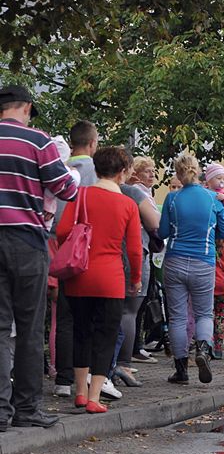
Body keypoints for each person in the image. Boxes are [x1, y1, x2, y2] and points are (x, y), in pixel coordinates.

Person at [0, 85, 78, 429]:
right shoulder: (39, 141)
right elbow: (67, 189)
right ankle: (27, 409)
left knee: (0, 329)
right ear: (27, 108)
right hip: (27, 241)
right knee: (30, 328)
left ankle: (0, 412)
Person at [57, 146, 142, 414]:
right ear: (122, 172)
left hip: (79, 276)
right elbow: (134, 250)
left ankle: (79, 393)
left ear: (96, 168)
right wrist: (136, 279)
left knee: (80, 332)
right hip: (111, 279)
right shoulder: (128, 204)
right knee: (105, 337)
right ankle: (94, 397)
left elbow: (61, 231)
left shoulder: (79, 196)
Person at [158, 153, 224, 384]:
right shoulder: (213, 199)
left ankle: (181, 370)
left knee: (178, 316)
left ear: (178, 173)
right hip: (203, 260)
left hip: (175, 260)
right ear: (198, 172)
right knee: (203, 313)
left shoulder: (172, 199)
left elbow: (162, 233)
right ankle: (203, 349)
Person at [50, 120, 99, 398]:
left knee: (63, 316)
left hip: (60, 246)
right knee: (89, 317)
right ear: (92, 143)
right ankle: (89, 376)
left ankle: (63, 378)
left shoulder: (58, 169)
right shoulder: (97, 172)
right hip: (88, 249)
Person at [111, 165, 163, 387]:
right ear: (126, 170)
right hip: (132, 255)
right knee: (129, 312)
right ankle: (123, 364)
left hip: (104, 255)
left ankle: (105, 365)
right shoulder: (132, 192)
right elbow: (155, 224)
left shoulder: (92, 189)